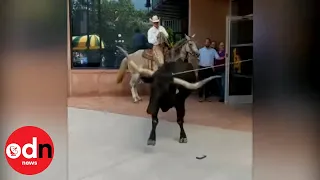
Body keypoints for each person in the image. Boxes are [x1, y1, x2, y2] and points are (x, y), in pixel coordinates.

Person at [198, 38, 224, 102]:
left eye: (208, 42)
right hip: (202, 68)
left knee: (208, 83)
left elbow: (218, 58)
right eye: (206, 42)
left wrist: (225, 57)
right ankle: (202, 96)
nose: (207, 43)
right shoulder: (200, 50)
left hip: (209, 69)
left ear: (209, 43)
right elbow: (197, 59)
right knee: (202, 82)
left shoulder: (213, 51)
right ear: (204, 43)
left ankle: (206, 97)